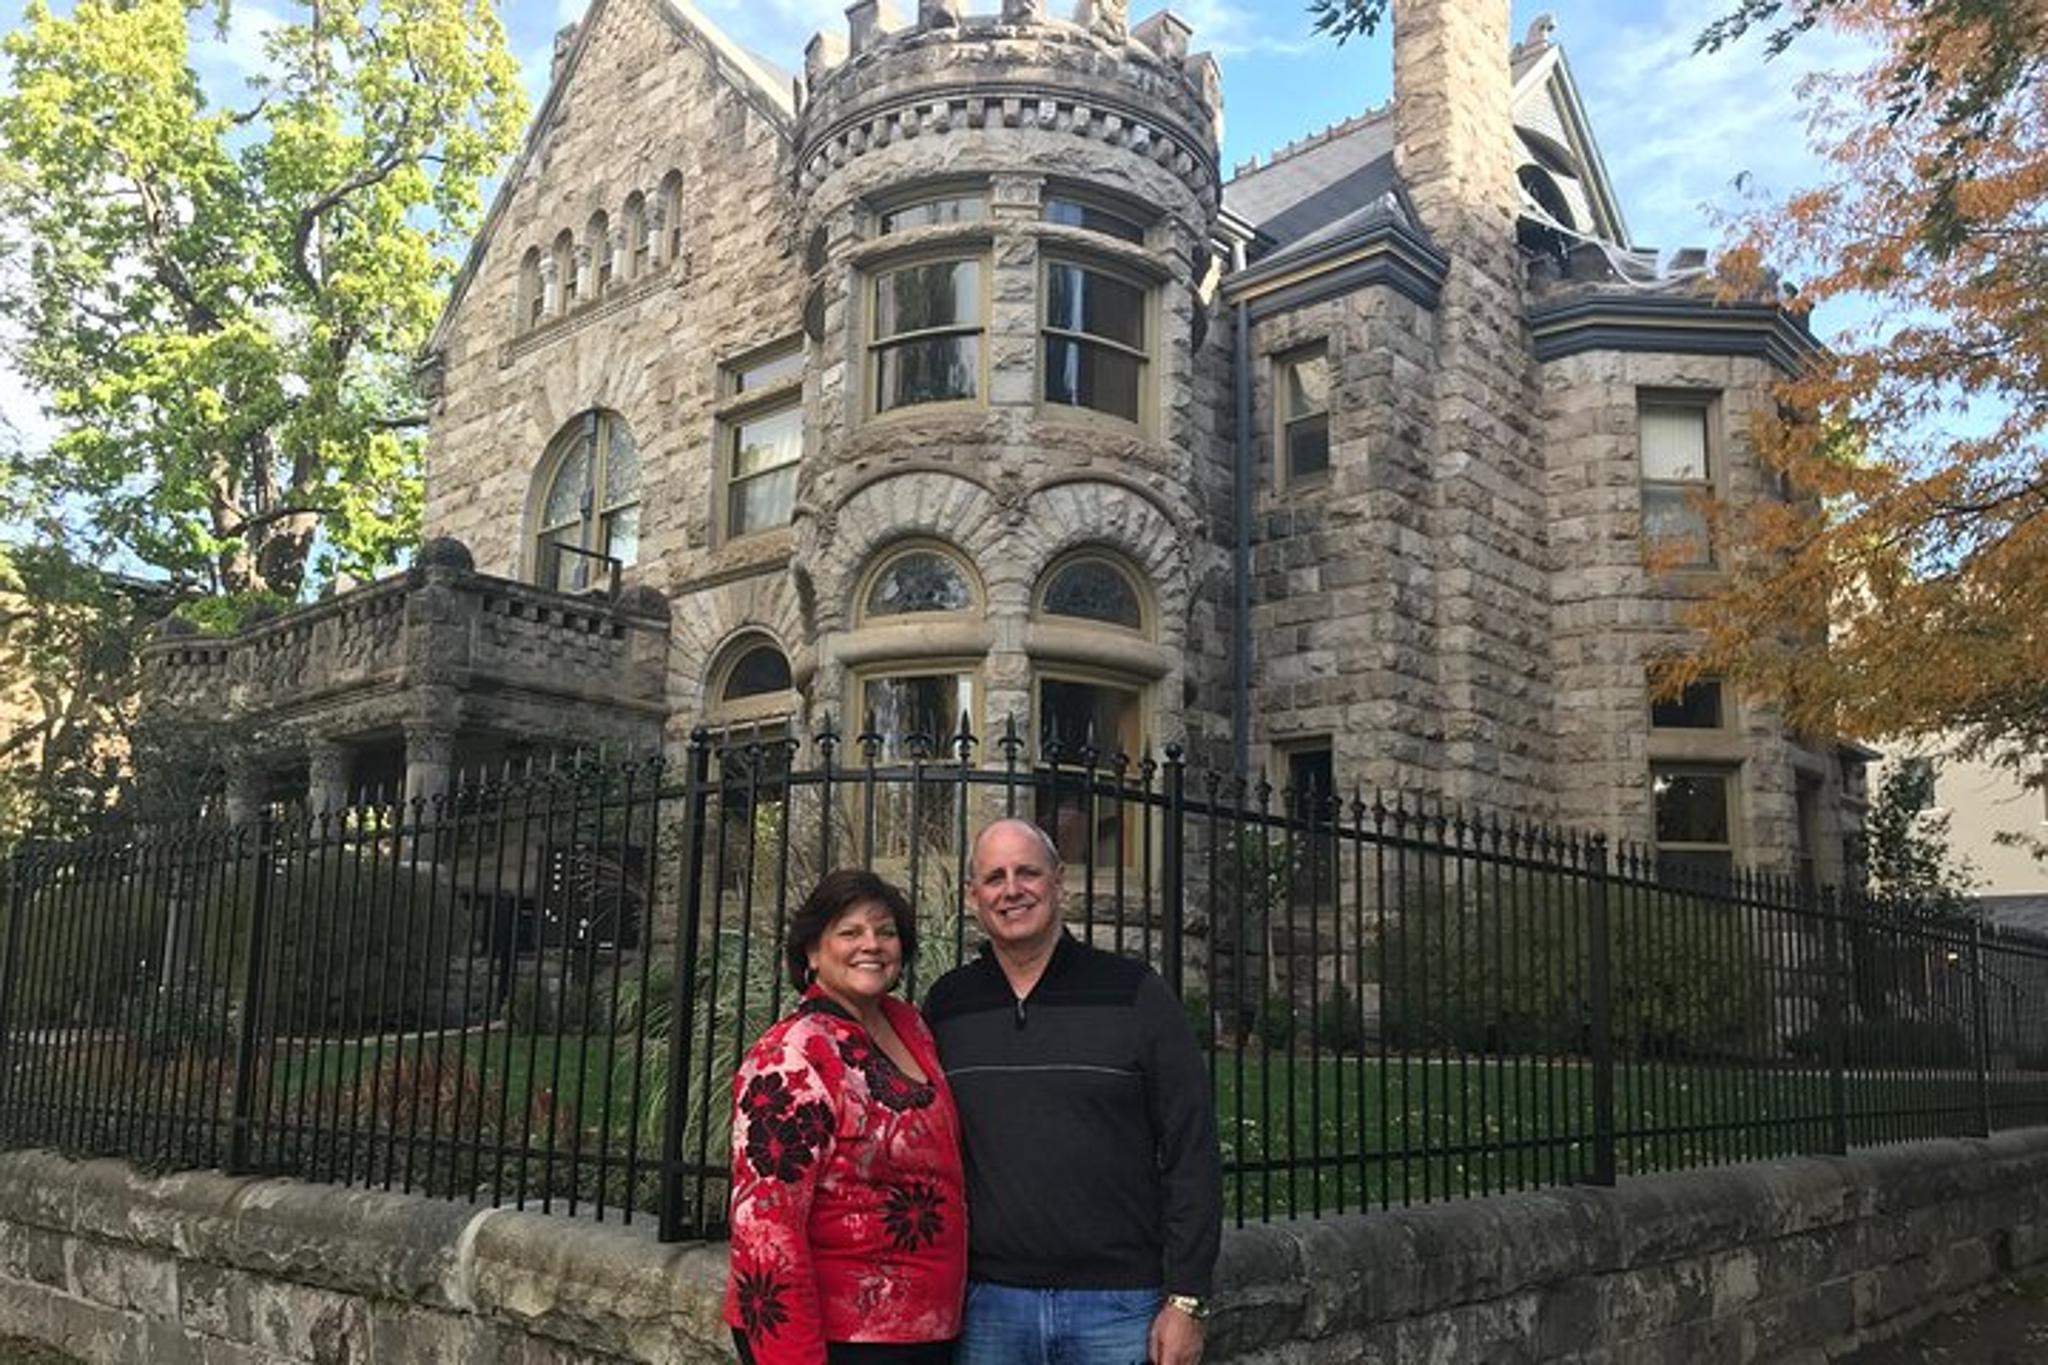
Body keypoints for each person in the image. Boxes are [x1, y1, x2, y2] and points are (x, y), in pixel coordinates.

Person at [924, 819, 1222, 1365]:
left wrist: (1186, 1300)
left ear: (1059, 881)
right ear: (973, 896)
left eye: (1028, 872)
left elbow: (1192, 1150)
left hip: (1118, 1305)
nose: (1011, 889)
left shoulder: (1136, 993)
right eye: (994, 877)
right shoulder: (948, 1007)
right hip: (987, 1305)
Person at [724, 868, 967, 1365]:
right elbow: (766, 1228)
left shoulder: (910, 1026)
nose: (872, 944)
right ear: (813, 952)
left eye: (886, 931)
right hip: (843, 1339)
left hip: (926, 1330)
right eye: (850, 932)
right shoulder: (793, 1055)